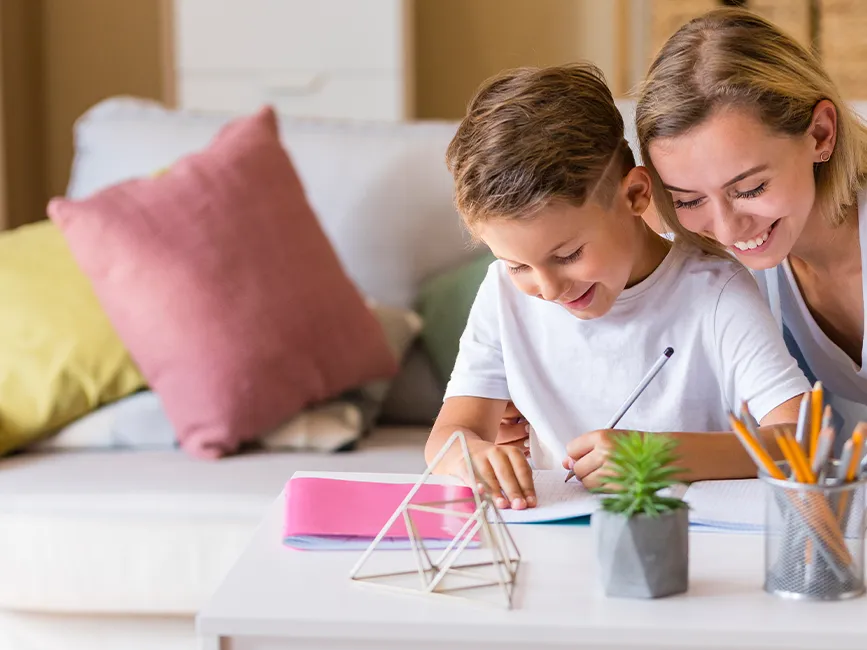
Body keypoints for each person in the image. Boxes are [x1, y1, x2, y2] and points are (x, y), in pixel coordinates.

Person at [424, 62, 809, 510]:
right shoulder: (501, 294)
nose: (547, 289)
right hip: (557, 542)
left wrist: (657, 455)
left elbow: (801, 441)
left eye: (568, 255)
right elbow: (448, 438)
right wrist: (472, 454)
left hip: (693, 546)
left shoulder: (716, 292)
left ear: (635, 196)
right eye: (517, 265)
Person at [636, 7, 867, 436]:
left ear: (820, 134)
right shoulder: (696, 231)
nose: (726, 230)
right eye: (688, 199)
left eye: (751, 189)